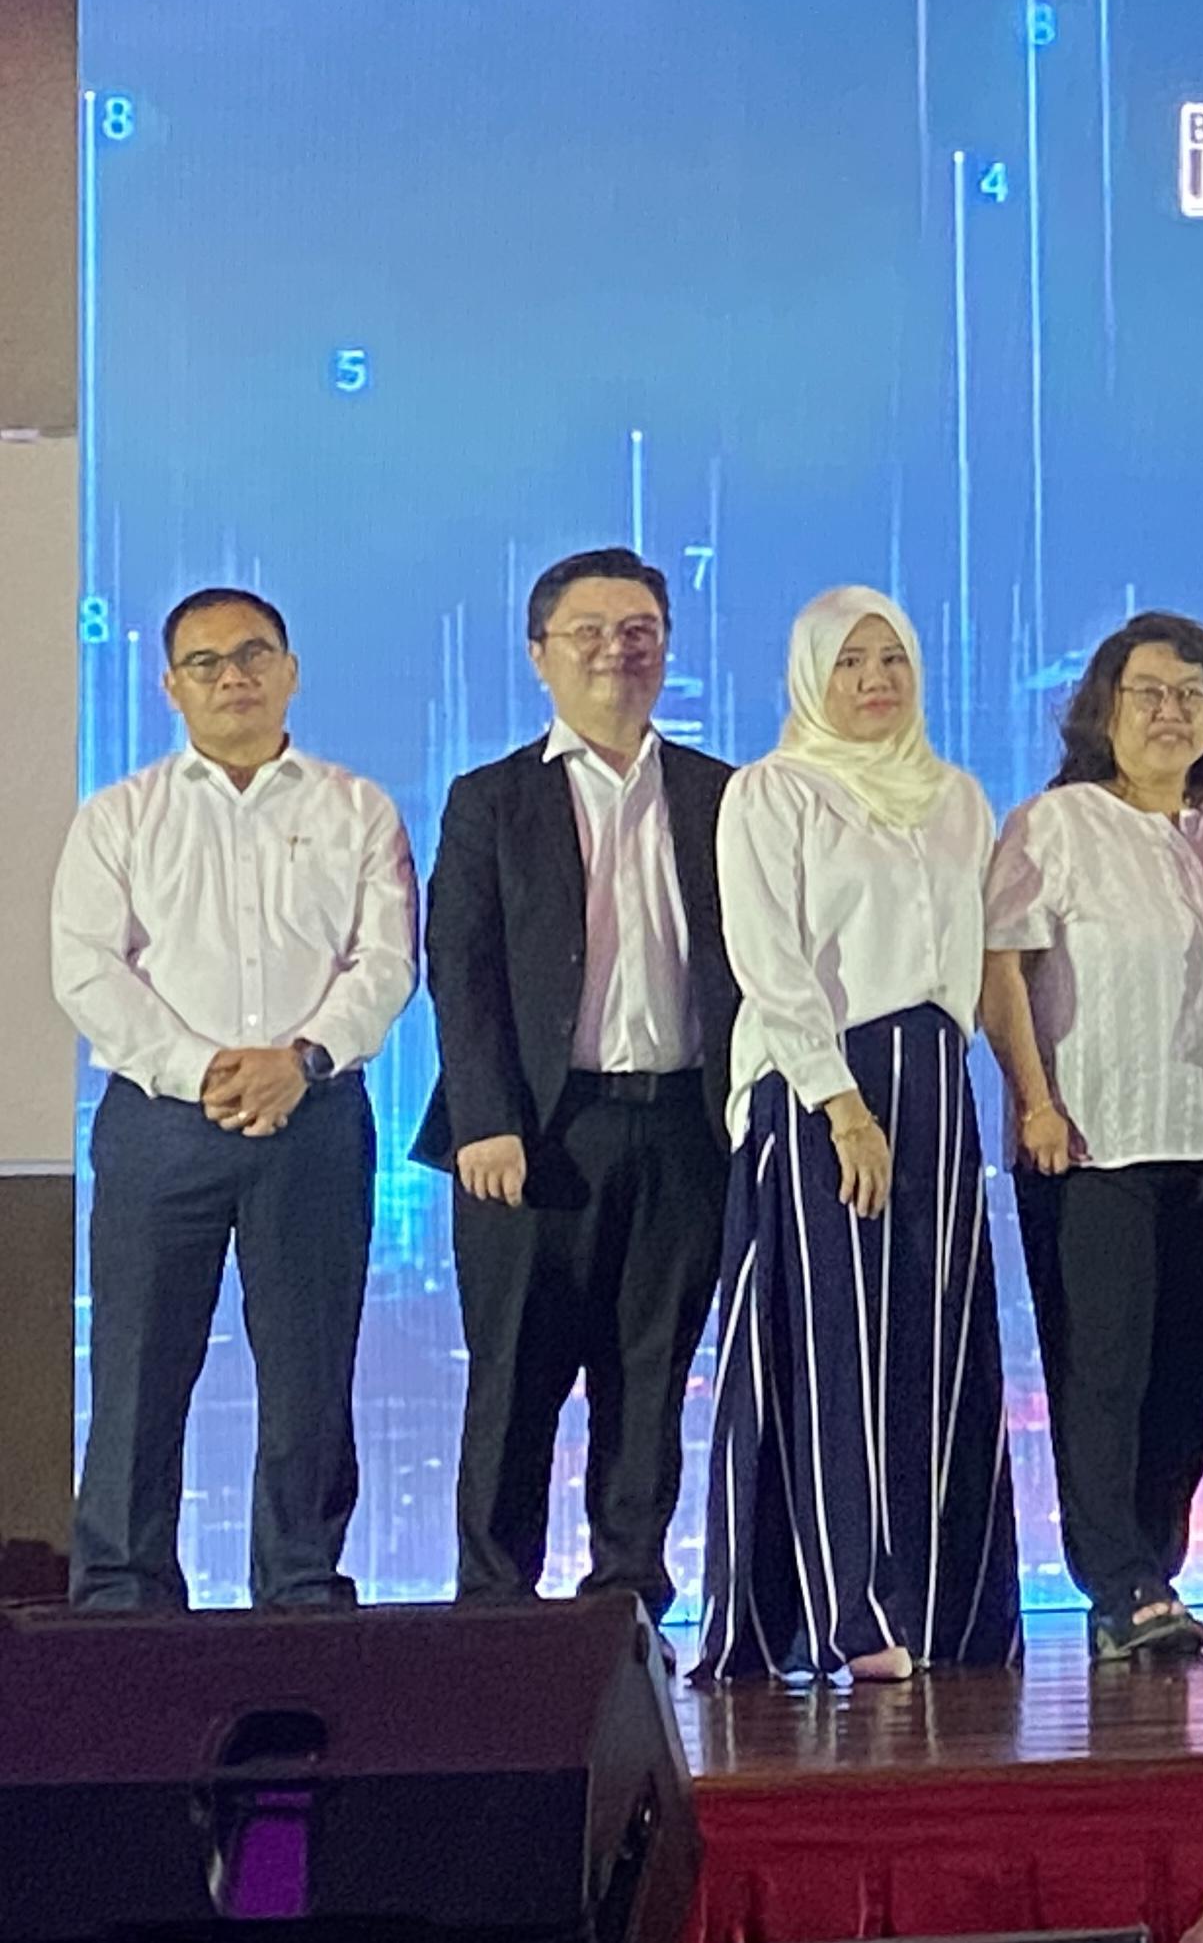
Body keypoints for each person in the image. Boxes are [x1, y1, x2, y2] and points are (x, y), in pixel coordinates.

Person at [53, 587, 415, 1612]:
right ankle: (121, 1595)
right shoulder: (120, 816)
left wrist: (301, 1059)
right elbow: (87, 969)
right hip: (162, 1122)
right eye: (205, 663)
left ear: (290, 671)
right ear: (171, 687)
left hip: (315, 1113)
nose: (233, 677)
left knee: (310, 1374)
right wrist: (203, 1066)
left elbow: (385, 961)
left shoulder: (356, 808)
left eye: (253, 654)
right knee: (137, 1371)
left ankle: (300, 1587)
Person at [697, 586, 1020, 1681]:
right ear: (810, 676)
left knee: (934, 1339)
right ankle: (845, 1610)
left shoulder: (957, 798)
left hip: (935, 1079)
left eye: (892, 658)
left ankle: (944, 1606)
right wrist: (841, 1106)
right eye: (850, 661)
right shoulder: (773, 791)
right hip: (820, 1081)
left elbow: (973, 959)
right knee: (837, 1342)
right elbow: (769, 959)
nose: (876, 679)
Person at [417, 548, 738, 1632]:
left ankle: (627, 1600)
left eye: (639, 630)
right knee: (516, 1375)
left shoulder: (721, 793)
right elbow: (460, 970)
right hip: (537, 1134)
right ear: (539, 654)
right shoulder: (491, 798)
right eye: (589, 632)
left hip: (686, 1123)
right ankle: (493, 1606)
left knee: (651, 1376)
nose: (616, 650)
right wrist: (486, 1120)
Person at [977, 613, 1203, 1662]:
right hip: (1089, 1141)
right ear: (1105, 707)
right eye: (1148, 692)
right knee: (1101, 1370)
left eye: (1192, 694)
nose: (1170, 712)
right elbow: (1002, 972)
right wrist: (1033, 1100)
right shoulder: (1054, 823)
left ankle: (1157, 1566)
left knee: (1189, 1375)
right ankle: (1116, 1577)